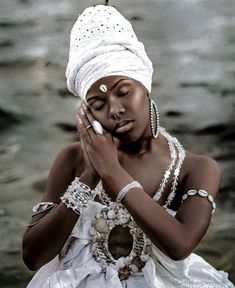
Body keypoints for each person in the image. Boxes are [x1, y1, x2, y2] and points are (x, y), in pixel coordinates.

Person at [22, 4, 234, 288]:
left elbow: (180, 245)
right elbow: (34, 257)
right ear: (87, 114)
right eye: (98, 104)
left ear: (145, 86)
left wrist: (113, 173)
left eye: (124, 92)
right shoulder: (73, 159)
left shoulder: (195, 168)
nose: (115, 110)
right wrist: (90, 176)